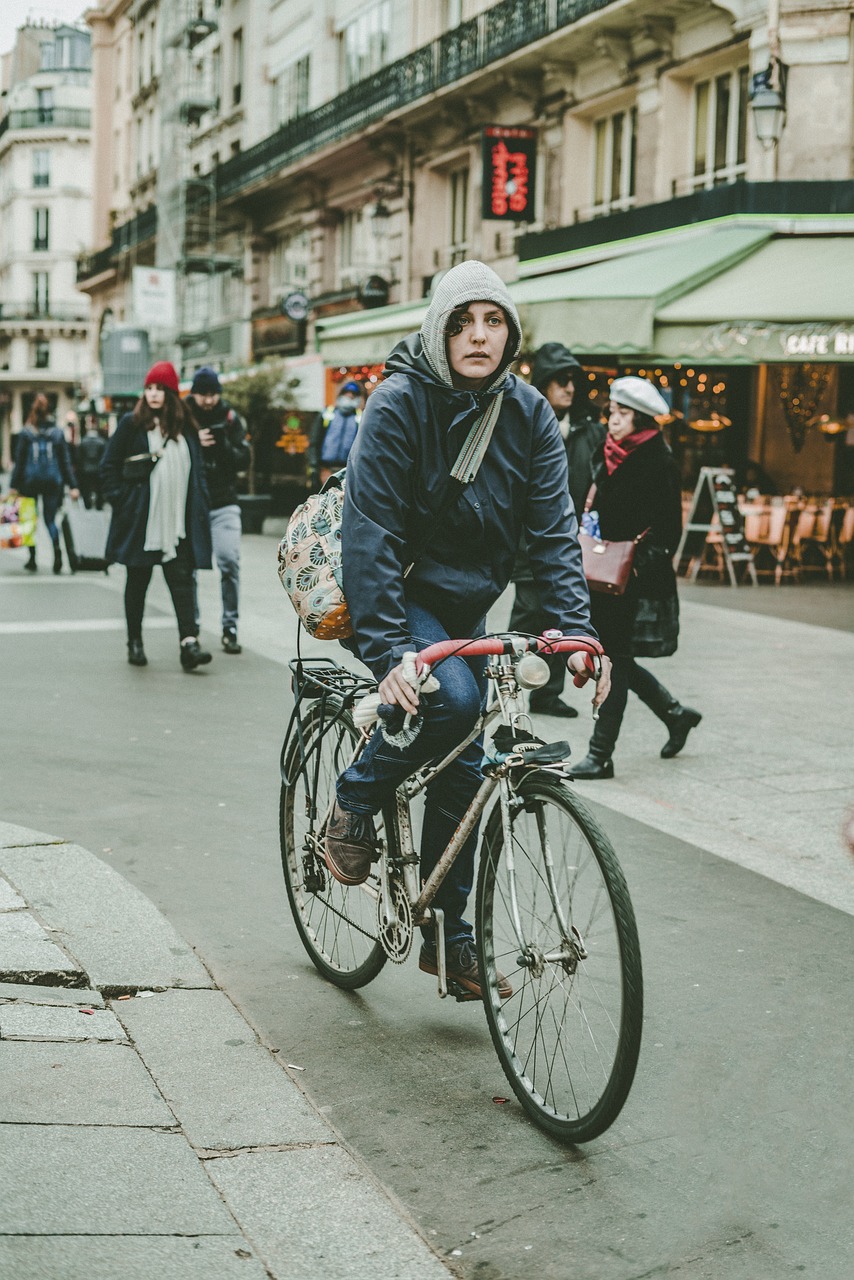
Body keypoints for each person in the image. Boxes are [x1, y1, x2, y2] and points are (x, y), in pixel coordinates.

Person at [324, 260, 610, 1000]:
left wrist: (576, 631)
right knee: (447, 699)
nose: (478, 336)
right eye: (462, 322)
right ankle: (356, 796)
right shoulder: (396, 403)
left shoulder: (528, 414)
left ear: (510, 332)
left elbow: (553, 535)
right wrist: (388, 652)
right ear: (438, 329)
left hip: (468, 599)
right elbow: (372, 534)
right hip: (392, 591)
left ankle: (448, 942)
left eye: (492, 321)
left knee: (469, 759)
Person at [570, 375, 701, 780]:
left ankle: (600, 753)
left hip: (633, 580)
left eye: (623, 414)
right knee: (618, 658)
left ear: (642, 419)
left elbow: (669, 532)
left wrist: (634, 563)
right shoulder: (606, 453)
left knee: (615, 660)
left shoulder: (658, 460)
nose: (614, 420)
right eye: (613, 411)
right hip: (602, 575)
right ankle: (675, 714)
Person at [509, 342, 607, 718]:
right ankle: (515, 687)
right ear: (545, 383)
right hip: (526, 541)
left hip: (570, 539)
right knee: (527, 617)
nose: (569, 388)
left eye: (573, 381)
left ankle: (548, 693)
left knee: (559, 619)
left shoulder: (588, 429)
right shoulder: (524, 421)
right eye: (560, 380)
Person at [100, 361, 213, 671]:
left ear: (171, 393)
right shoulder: (131, 424)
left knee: (182, 583)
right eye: (148, 388)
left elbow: (198, 473)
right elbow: (108, 466)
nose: (152, 394)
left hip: (178, 523)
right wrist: (121, 501)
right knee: (138, 582)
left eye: (159, 389)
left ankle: (188, 644)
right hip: (142, 521)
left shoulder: (186, 428)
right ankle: (134, 641)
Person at [186, 367, 250, 655]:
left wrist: (223, 444)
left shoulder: (230, 417)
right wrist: (194, 443)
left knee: (229, 561)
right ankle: (192, 627)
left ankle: (230, 626)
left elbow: (243, 459)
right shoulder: (182, 416)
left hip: (224, 501)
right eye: (203, 395)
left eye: (213, 394)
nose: (209, 400)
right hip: (192, 504)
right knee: (189, 569)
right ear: (194, 393)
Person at [10, 393, 79, 574]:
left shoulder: (26, 433)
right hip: (52, 483)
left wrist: (13, 485)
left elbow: (20, 461)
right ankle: (57, 553)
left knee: (29, 520)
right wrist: (73, 485)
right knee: (50, 520)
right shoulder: (56, 433)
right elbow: (65, 461)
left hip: (29, 483)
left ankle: (32, 558)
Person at [308, 381, 362, 488]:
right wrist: (314, 466)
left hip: (348, 471)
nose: (349, 396)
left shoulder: (360, 418)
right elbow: (314, 442)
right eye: (347, 393)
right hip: (325, 469)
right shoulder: (327, 414)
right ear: (341, 395)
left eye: (353, 395)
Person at [76, 418, 107, 510]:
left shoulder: (83, 442)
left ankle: (87, 504)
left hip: (86, 469)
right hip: (98, 469)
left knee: (86, 488)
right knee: (99, 488)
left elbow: (79, 457)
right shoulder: (101, 442)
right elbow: (104, 456)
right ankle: (99, 505)